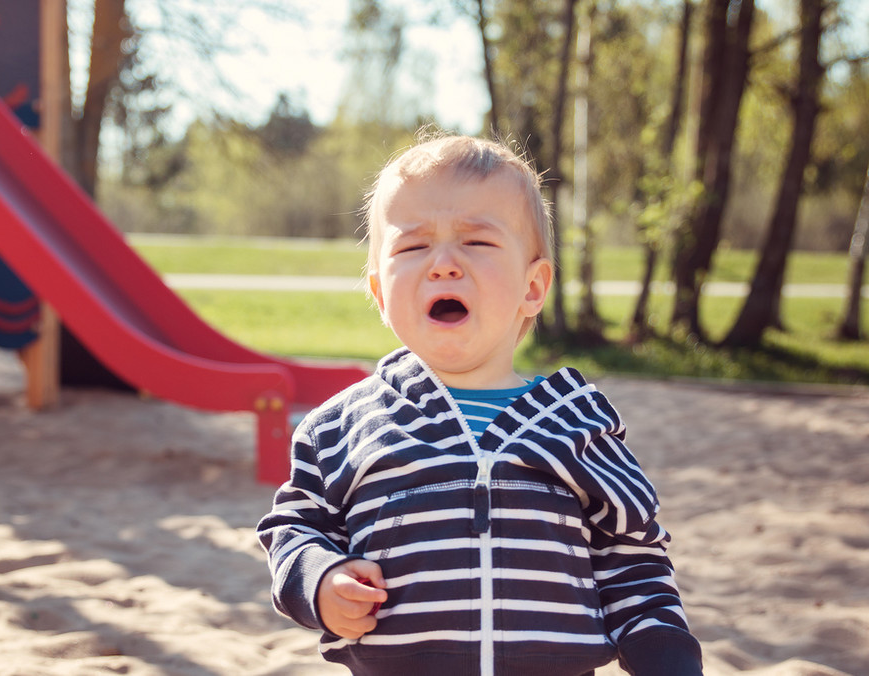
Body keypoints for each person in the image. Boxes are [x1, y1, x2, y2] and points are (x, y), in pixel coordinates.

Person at [256, 134, 704, 676]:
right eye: (413, 246)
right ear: (379, 291)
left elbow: (632, 555)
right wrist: (321, 579)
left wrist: (665, 654)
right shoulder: (340, 429)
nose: (444, 264)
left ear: (533, 288)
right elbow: (295, 531)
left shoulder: (579, 423)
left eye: (477, 243)